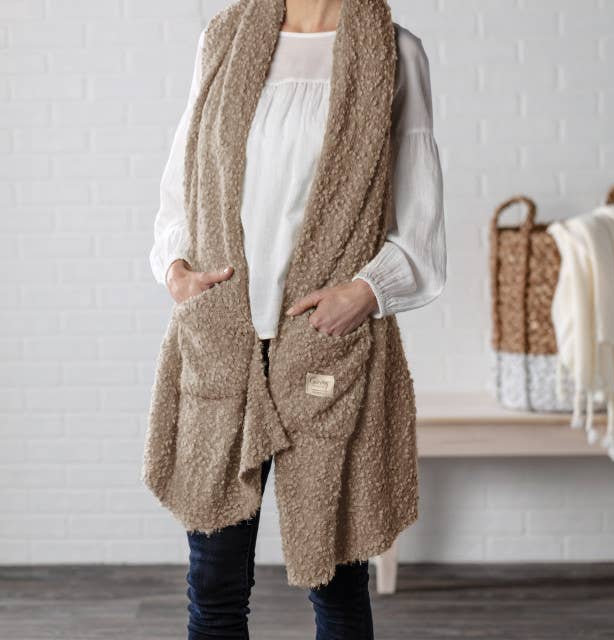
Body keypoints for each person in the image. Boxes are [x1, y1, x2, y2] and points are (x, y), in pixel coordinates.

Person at [148, 0, 446, 638]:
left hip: (326, 349)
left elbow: (421, 230)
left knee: (336, 584)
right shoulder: (223, 40)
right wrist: (175, 269)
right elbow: (181, 185)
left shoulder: (394, 53)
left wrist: (366, 291)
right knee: (214, 586)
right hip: (224, 343)